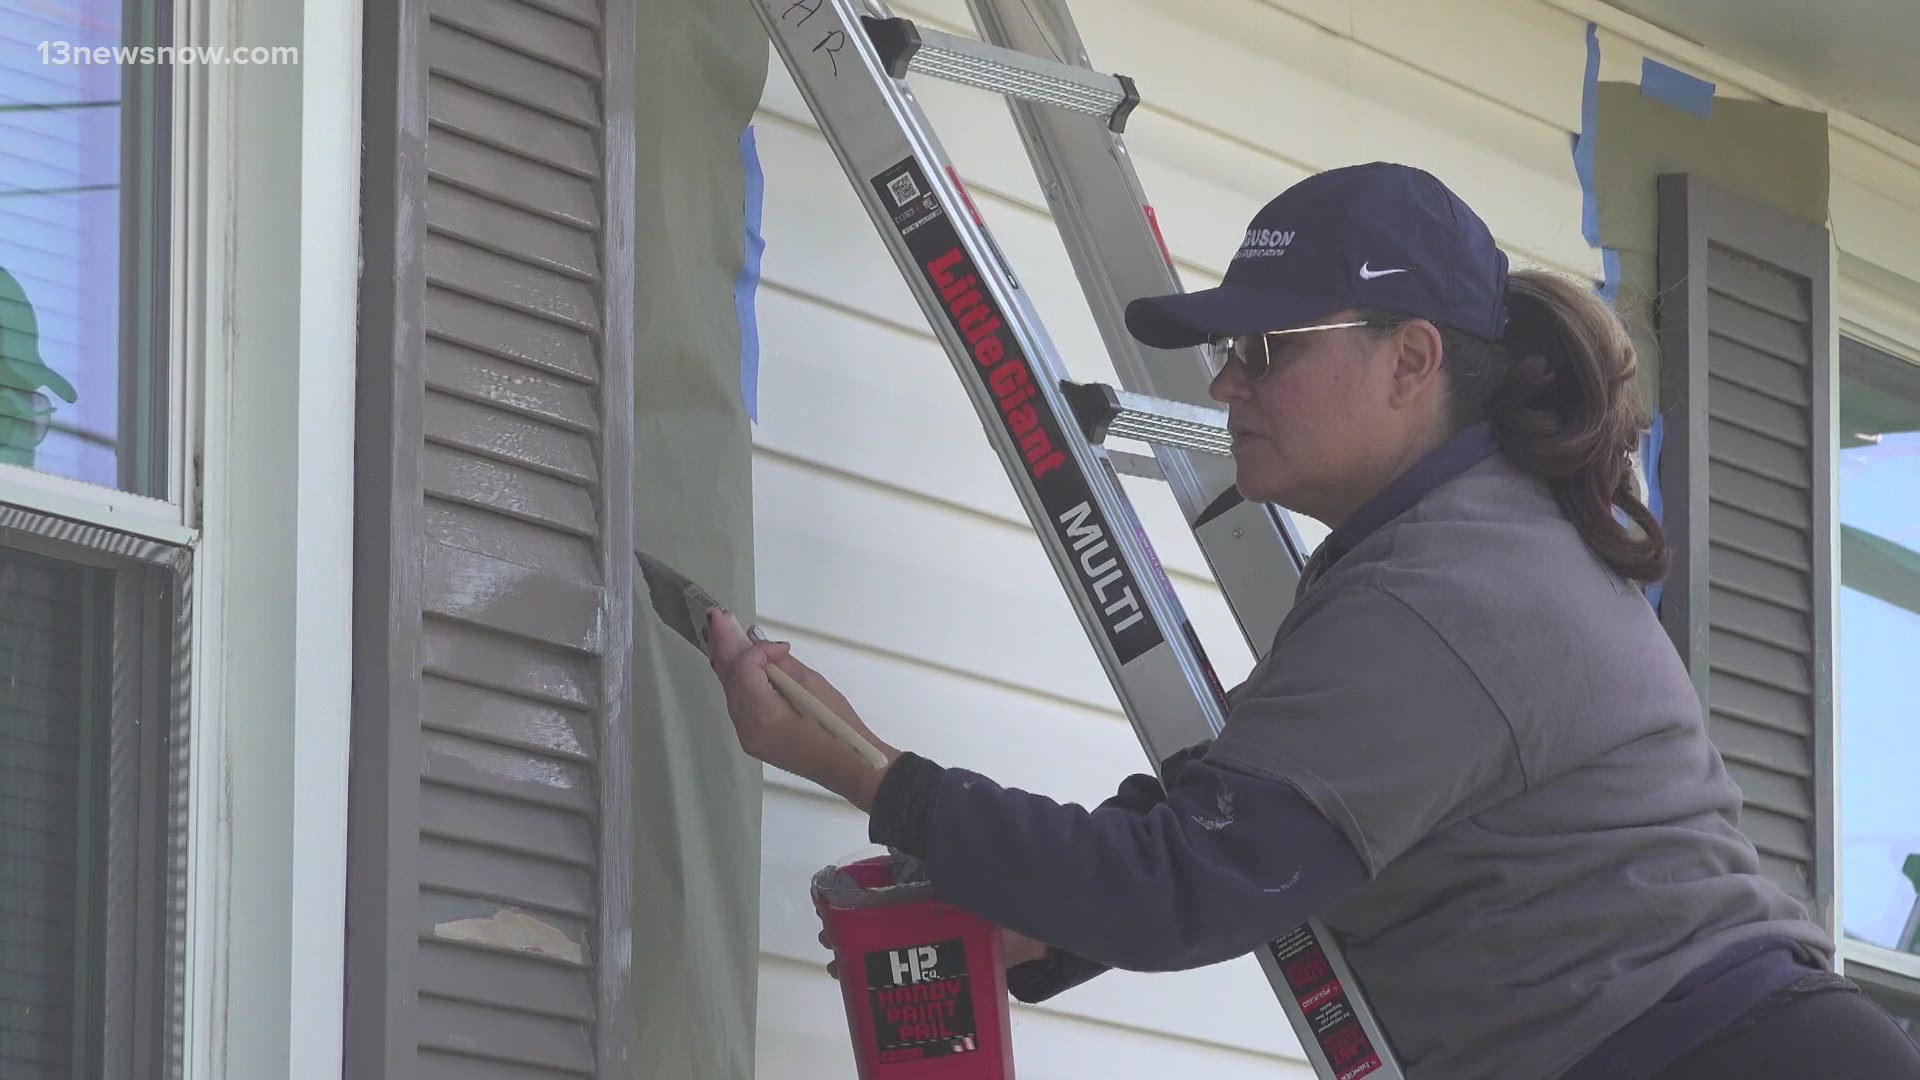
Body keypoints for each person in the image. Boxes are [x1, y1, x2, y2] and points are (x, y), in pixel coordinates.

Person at [704, 162, 1920, 1079]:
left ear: (1413, 360)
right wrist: (1043, 919)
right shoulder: (1448, 548)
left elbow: (1188, 879)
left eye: (1270, 346)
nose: (1228, 383)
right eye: (1232, 349)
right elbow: (1259, 826)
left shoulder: (1444, 592)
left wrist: (866, 774)